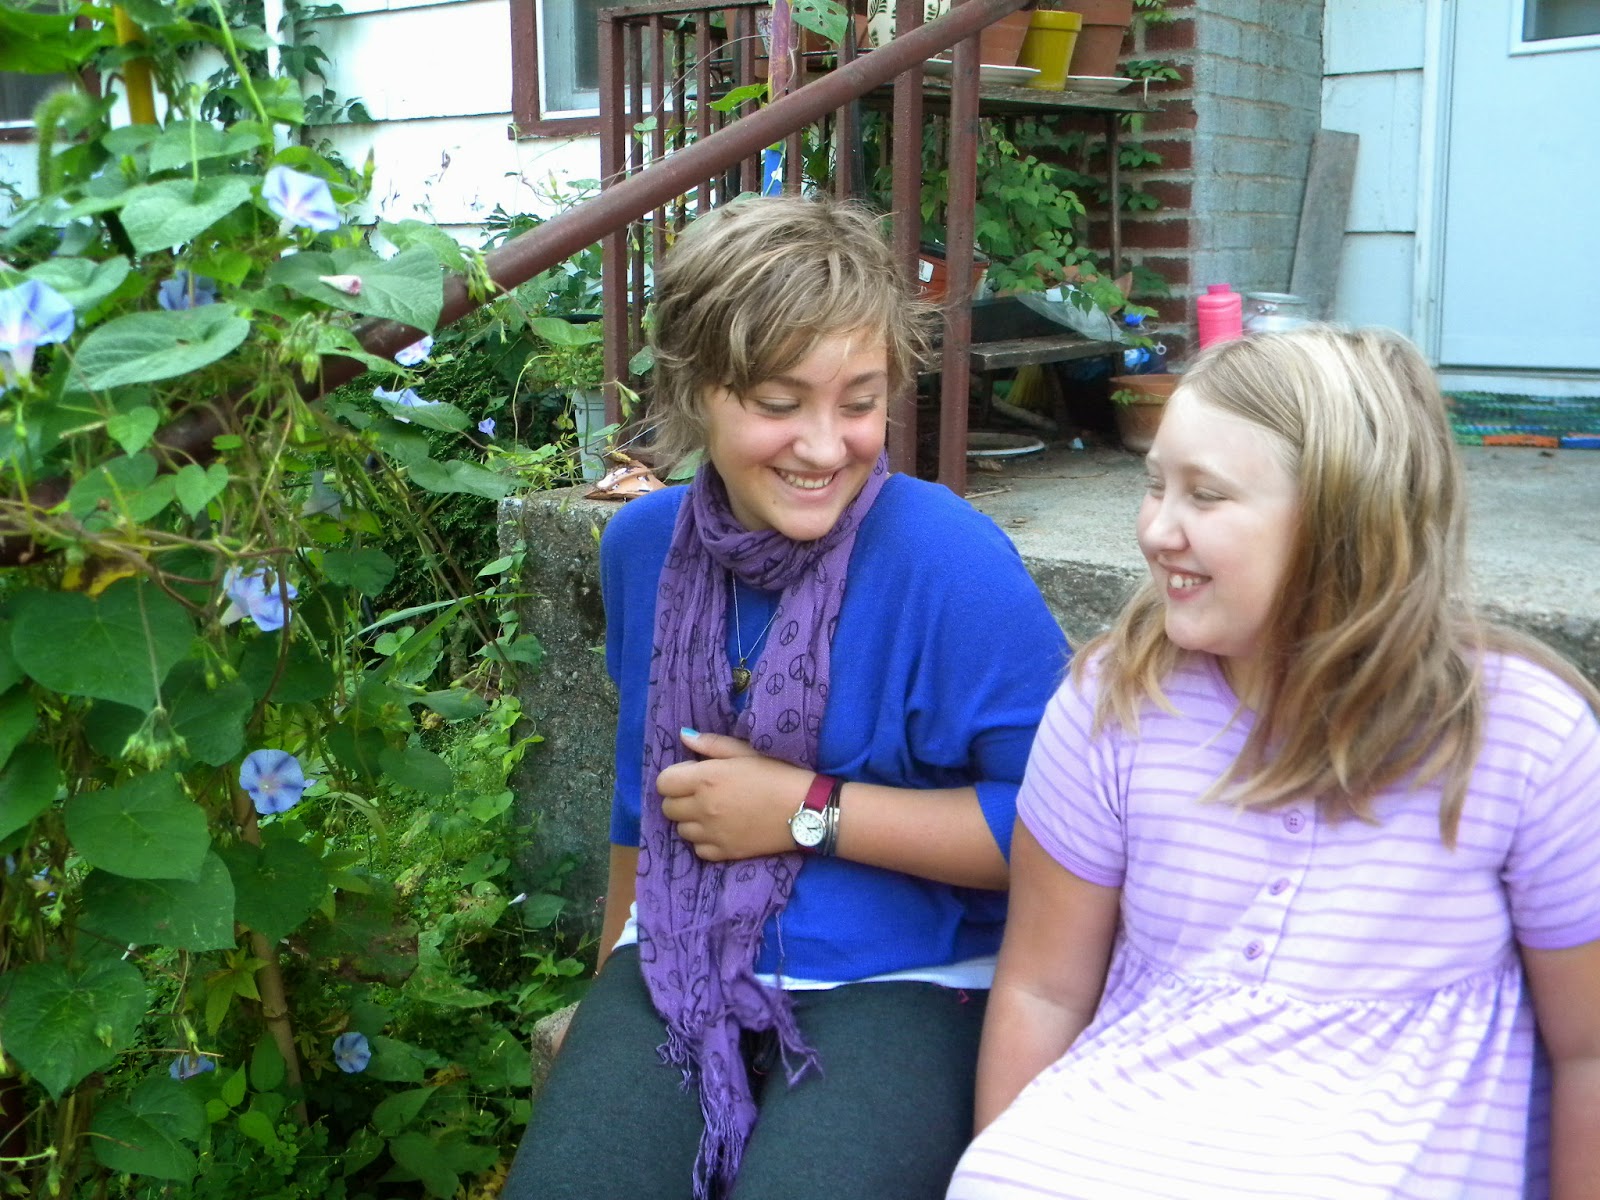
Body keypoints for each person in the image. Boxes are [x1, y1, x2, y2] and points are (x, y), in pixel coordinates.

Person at [948, 326, 1600, 1200]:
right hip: (1131, 1126)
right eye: (1155, 485)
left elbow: (1589, 1049)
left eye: (1205, 495)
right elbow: (1043, 991)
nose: (1156, 529)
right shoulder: (1120, 701)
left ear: (1343, 521)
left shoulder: (1522, 735)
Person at [502, 194, 1068, 1200]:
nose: (824, 446)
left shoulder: (951, 565)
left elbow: (1064, 830)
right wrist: (609, 1008)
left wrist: (807, 811)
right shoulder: (643, 549)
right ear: (695, 390)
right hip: (681, 951)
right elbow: (644, 803)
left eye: (858, 401)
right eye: (778, 402)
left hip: (910, 976)